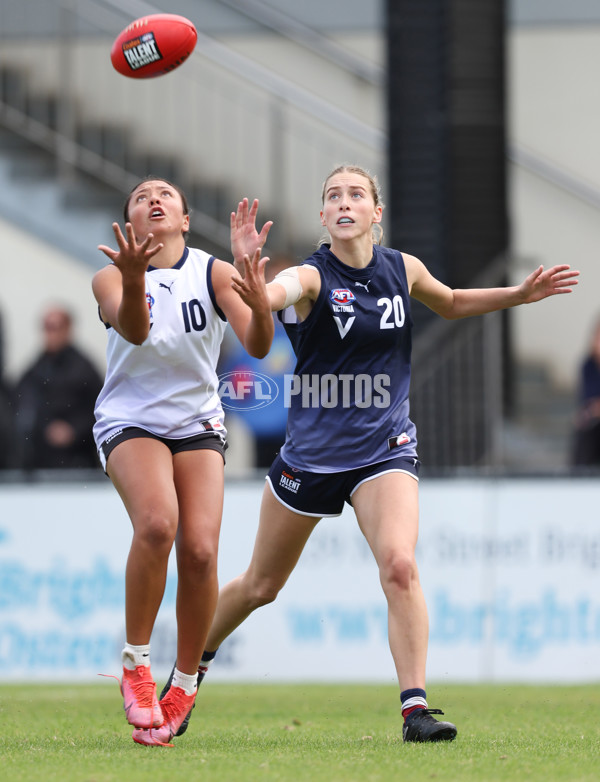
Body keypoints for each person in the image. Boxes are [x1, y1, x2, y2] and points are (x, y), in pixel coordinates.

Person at [154, 164, 580, 746]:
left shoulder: (402, 268)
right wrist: (256, 286)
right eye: (333, 196)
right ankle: (190, 671)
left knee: (400, 566)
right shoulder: (309, 276)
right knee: (260, 585)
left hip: (385, 448)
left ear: (376, 212)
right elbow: (275, 297)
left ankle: (416, 710)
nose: (344, 202)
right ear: (325, 218)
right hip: (311, 458)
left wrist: (520, 294)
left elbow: (451, 302)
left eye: (356, 194)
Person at [92, 177, 274, 747]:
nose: (154, 199)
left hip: (196, 423)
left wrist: (258, 292)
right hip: (130, 419)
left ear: (185, 219)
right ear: (131, 222)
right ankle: (136, 666)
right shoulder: (108, 275)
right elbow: (138, 333)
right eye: (142, 197)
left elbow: (261, 345)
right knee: (158, 523)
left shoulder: (215, 272)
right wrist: (130, 276)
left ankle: (186, 682)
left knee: (199, 551)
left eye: (165, 194)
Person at [218, 255, 297, 469]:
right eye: (273, 283)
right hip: (251, 433)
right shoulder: (248, 337)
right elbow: (230, 387)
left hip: (298, 435)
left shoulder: (308, 338)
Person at [14, 306, 103, 470]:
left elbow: (100, 409)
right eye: (46, 327)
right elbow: (22, 405)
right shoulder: (36, 368)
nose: (49, 334)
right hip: (41, 461)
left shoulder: (84, 368)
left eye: (54, 328)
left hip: (78, 461)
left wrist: (74, 430)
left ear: (68, 329)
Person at [572, 317, 600, 467]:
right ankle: (579, 474)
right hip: (594, 420)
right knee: (584, 422)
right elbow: (588, 398)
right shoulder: (588, 364)